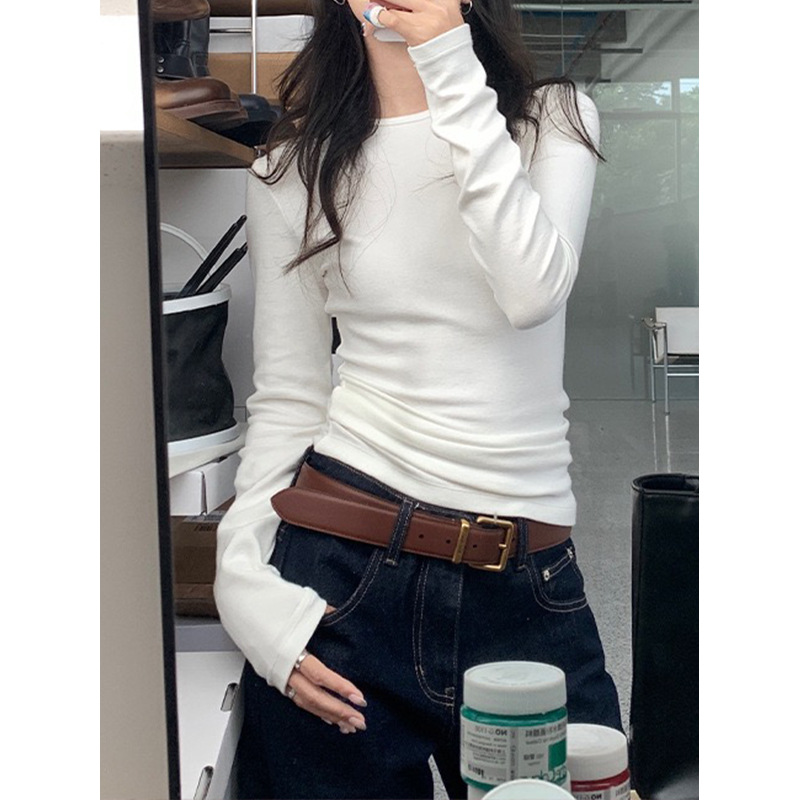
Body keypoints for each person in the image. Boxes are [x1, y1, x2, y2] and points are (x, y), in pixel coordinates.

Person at [213, 0, 622, 796]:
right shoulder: (290, 168)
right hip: (341, 576)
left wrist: (448, 61)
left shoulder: (550, 120)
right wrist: (242, 583)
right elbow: (289, 398)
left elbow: (531, 291)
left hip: (525, 582)